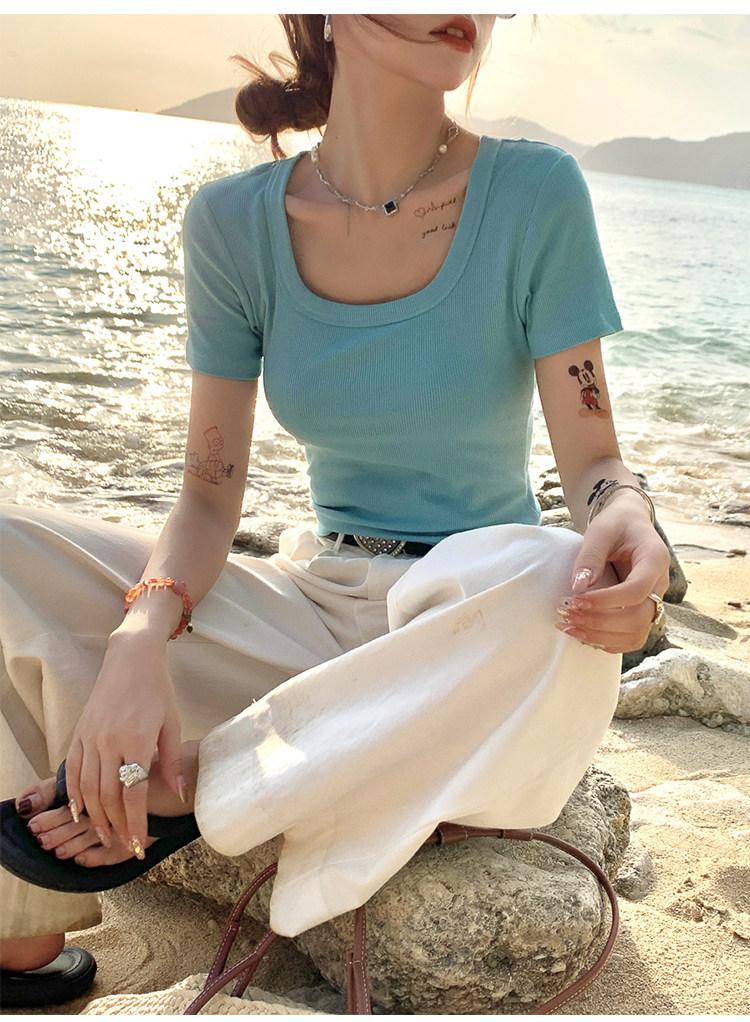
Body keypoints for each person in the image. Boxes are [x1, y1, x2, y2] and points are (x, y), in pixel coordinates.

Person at [0, 13, 670, 1009]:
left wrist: (630, 519)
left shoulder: (535, 194)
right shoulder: (233, 222)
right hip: (318, 615)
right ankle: (22, 932)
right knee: (8, 549)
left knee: (548, 572)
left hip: (476, 625)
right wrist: (141, 637)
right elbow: (207, 494)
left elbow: (596, 459)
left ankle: (205, 778)